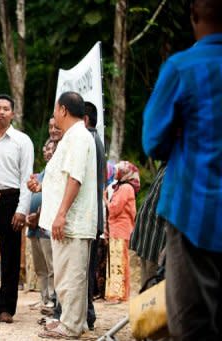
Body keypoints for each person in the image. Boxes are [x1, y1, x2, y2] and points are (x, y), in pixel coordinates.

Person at [142, 1, 222, 338]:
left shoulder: (183, 68)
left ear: (193, 16)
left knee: (189, 323)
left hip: (193, 215)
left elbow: (153, 142)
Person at [30, 92, 97, 339]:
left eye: (56, 109)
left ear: (63, 110)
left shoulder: (79, 137)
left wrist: (61, 214)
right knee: (65, 275)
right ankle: (68, 320)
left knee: (72, 276)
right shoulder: (72, 137)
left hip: (72, 221)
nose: (54, 114)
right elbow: (60, 177)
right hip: (65, 220)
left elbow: (75, 177)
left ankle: (71, 325)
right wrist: (40, 185)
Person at [0, 94, 34, 324]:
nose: (2, 112)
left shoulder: (22, 141)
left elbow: (26, 178)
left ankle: (6, 308)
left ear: (12, 114)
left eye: (6, 109)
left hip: (12, 200)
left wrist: (22, 209)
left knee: (11, 257)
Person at [26, 120, 63, 314]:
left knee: (52, 267)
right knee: (41, 268)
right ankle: (45, 298)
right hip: (34, 228)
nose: (49, 152)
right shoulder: (41, 173)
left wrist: (38, 214)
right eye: (46, 149)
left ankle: (54, 301)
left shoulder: (58, 170)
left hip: (47, 227)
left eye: (52, 149)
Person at [83, 101, 106, 329]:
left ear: (84, 120)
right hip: (92, 216)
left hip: (88, 217)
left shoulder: (88, 140)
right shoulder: (94, 139)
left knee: (84, 270)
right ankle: (86, 313)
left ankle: (86, 314)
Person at [104, 161, 138, 303]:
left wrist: (104, 198)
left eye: (118, 170)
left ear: (125, 173)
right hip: (118, 229)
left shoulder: (125, 188)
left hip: (120, 229)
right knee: (119, 261)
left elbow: (114, 209)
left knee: (118, 263)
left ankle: (117, 295)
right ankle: (121, 294)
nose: (115, 172)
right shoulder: (123, 187)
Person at [129, 165, 168, 287]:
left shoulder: (178, 169)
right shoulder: (165, 167)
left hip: (157, 239)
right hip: (147, 236)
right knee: (146, 281)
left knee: (152, 284)